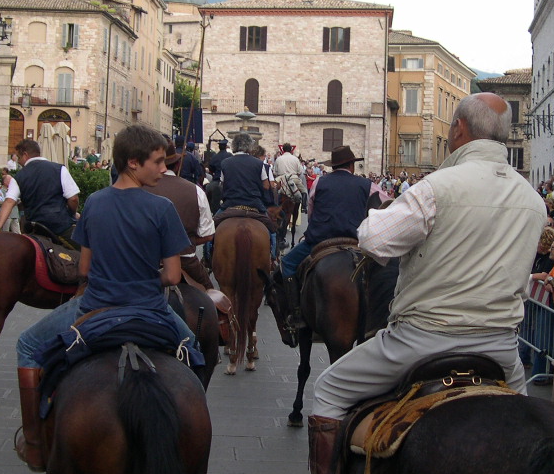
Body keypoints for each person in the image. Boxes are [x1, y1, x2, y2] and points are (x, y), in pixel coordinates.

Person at [290, 92, 543, 474]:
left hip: (422, 341)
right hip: (503, 350)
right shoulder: (532, 199)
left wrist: (378, 217)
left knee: (327, 389)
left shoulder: (438, 187)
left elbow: (375, 239)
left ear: (460, 131)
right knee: (529, 426)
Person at [12, 125, 201, 472]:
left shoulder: (95, 202)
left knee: (27, 345)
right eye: (158, 162)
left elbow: (84, 267)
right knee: (195, 350)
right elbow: (173, 277)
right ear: (133, 162)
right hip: (149, 308)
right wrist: (144, 275)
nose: (164, 169)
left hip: (94, 306)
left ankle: (35, 442)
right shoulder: (162, 209)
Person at [279, 146, 380, 331]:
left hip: (320, 240)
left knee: (287, 263)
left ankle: (296, 312)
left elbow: (311, 212)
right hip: (355, 240)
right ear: (351, 165)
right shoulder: (368, 185)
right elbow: (386, 205)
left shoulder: (319, 182)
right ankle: (380, 315)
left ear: (333, 166)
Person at [144, 141, 215, 288]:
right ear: (177, 165)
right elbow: (208, 235)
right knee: (214, 298)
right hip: (185, 260)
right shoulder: (195, 191)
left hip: (146, 261)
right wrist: (186, 241)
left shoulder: (139, 188)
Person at [0, 139, 80, 248]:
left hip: (33, 227)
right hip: (59, 225)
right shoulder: (59, 169)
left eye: (19, 158)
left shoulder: (19, 177)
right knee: (85, 254)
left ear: (25, 155)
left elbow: (9, 201)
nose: (18, 162)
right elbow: (73, 199)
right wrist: (72, 213)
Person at [213, 132, 278, 261]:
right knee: (272, 232)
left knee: (211, 230)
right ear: (249, 146)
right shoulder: (258, 164)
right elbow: (266, 186)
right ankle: (273, 256)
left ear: (234, 146)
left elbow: (221, 184)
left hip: (230, 204)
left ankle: (208, 255)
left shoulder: (226, 163)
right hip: (254, 204)